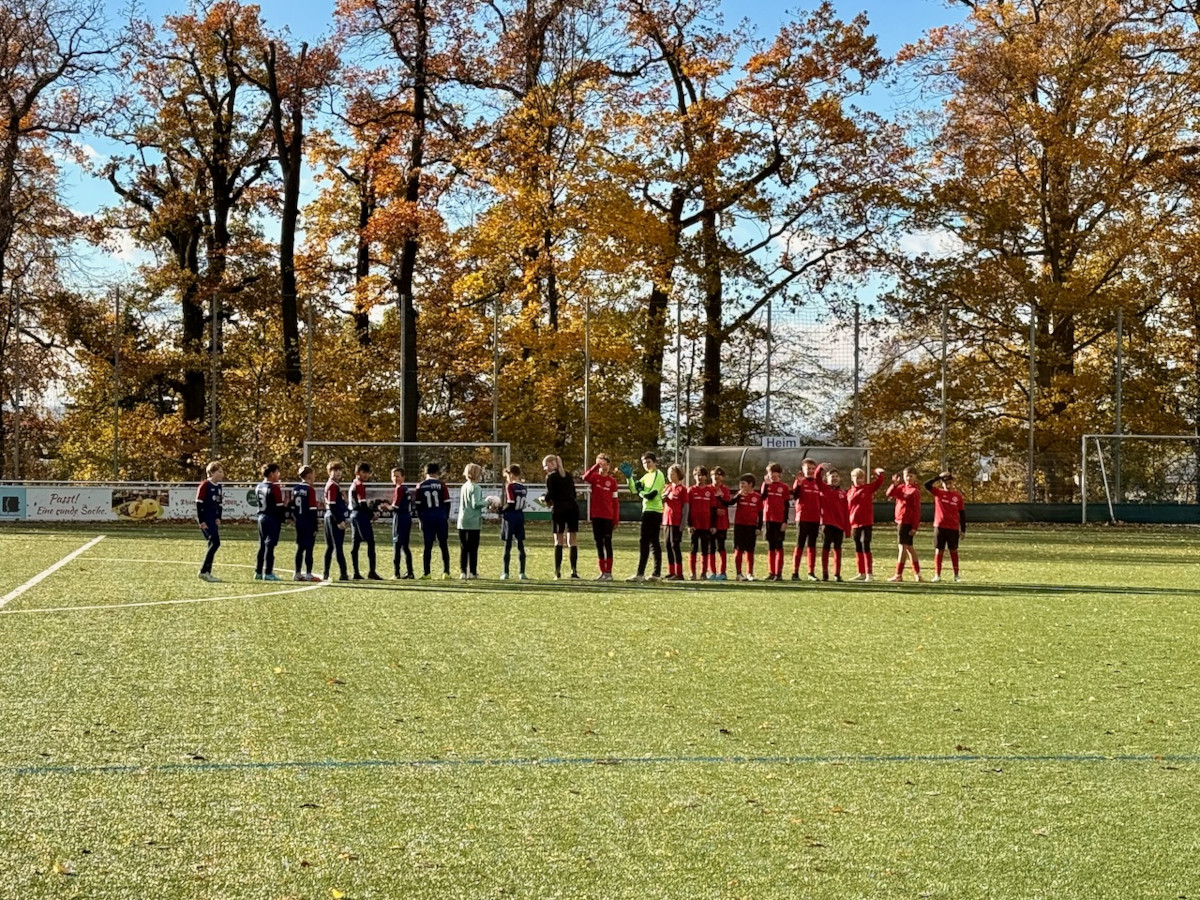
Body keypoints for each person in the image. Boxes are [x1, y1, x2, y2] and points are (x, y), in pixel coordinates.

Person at [621, 453, 666, 582]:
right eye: (644, 462)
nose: (647, 464)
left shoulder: (658, 475)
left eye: (649, 462)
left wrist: (640, 491)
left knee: (647, 541)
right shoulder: (646, 476)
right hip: (647, 510)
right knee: (651, 541)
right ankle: (654, 574)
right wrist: (629, 478)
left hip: (654, 511)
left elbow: (650, 495)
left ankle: (643, 573)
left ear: (655, 462)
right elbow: (634, 489)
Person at [542, 455, 581, 579]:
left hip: (559, 509)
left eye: (545, 465)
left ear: (552, 464)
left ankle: (557, 572)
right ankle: (574, 571)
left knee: (558, 540)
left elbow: (551, 494)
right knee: (572, 540)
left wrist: (544, 499)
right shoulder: (568, 475)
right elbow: (573, 493)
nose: (544, 468)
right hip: (573, 508)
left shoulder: (551, 477)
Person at [582, 454, 619, 580]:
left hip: (608, 517)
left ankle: (609, 572)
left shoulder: (612, 482)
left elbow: (615, 501)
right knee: (598, 543)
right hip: (596, 516)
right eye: (601, 464)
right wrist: (596, 465)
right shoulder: (595, 477)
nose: (604, 467)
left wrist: (616, 518)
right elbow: (585, 477)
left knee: (607, 543)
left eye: (606, 464)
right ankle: (602, 572)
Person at [847, 467, 887, 581]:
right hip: (854, 523)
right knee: (858, 547)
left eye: (861, 478)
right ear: (852, 479)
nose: (859, 480)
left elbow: (879, 482)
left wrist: (878, 473)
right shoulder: (849, 492)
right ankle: (861, 572)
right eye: (857, 478)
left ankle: (869, 573)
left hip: (866, 522)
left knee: (865, 545)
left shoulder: (868, 488)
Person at [925, 471, 966, 582]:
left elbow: (962, 513)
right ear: (942, 483)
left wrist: (963, 530)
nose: (948, 484)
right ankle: (937, 575)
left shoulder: (958, 496)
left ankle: (956, 575)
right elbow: (926, 485)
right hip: (939, 527)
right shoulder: (938, 493)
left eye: (950, 482)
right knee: (939, 550)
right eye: (945, 482)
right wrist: (939, 477)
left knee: (953, 550)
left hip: (953, 528)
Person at [886, 467, 923, 582]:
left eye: (911, 476)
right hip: (900, 520)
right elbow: (889, 494)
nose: (908, 478)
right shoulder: (901, 488)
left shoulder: (914, 491)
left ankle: (898, 574)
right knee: (909, 548)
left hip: (906, 522)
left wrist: (914, 526)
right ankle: (917, 574)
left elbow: (917, 510)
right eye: (906, 475)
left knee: (903, 547)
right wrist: (894, 484)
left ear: (915, 477)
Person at [415, 462, 452, 580]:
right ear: (437, 473)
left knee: (427, 546)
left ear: (425, 473)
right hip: (440, 518)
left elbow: (417, 506)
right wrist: (445, 516)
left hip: (427, 518)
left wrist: (421, 519)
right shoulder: (442, 485)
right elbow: (447, 503)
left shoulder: (420, 486)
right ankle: (446, 572)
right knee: (443, 545)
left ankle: (427, 573)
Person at [349, 461, 383, 580]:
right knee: (370, 542)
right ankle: (371, 572)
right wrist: (372, 514)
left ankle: (356, 572)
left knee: (356, 544)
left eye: (367, 473)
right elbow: (362, 504)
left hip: (354, 515)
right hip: (360, 515)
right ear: (357, 472)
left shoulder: (354, 484)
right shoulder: (359, 485)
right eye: (364, 472)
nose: (366, 475)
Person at [791, 457, 823, 581]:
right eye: (808, 468)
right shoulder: (800, 482)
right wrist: (798, 485)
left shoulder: (818, 483)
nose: (810, 471)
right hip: (802, 518)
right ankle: (795, 572)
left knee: (812, 546)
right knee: (799, 545)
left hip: (815, 519)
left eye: (812, 469)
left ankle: (811, 572)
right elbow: (795, 495)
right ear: (802, 470)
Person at [254, 463, 287, 581]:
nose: (279, 475)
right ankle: (268, 572)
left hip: (261, 517)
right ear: (272, 474)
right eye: (277, 472)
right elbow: (279, 507)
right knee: (270, 545)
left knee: (262, 545)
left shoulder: (258, 486)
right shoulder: (274, 488)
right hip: (272, 518)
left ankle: (258, 571)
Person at [728, 474, 764, 580]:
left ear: (750, 484)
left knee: (750, 550)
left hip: (751, 527)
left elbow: (760, 514)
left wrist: (759, 527)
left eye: (743, 483)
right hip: (739, 526)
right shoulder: (739, 495)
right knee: (738, 549)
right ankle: (739, 574)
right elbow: (730, 502)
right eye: (740, 483)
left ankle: (750, 573)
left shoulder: (757, 497)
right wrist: (738, 494)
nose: (741, 485)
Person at [760, 462, 791, 581]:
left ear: (779, 474)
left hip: (779, 520)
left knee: (779, 545)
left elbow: (786, 505)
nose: (772, 475)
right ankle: (771, 572)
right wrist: (766, 486)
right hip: (768, 519)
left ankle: (779, 573)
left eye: (774, 472)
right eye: (770, 472)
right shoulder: (766, 485)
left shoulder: (784, 487)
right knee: (770, 546)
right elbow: (762, 498)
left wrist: (785, 521)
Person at [817, 466, 849, 581]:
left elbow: (846, 511)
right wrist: (820, 468)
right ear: (827, 478)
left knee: (838, 549)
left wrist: (847, 529)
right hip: (827, 524)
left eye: (836, 476)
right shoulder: (824, 488)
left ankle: (837, 574)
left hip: (839, 526)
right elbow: (817, 479)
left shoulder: (843, 493)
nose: (835, 478)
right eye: (832, 476)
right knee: (826, 548)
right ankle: (825, 573)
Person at [498, 464, 529, 580]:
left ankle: (505, 572)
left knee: (508, 545)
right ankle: (522, 572)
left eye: (507, 475)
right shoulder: (523, 487)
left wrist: (501, 510)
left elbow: (510, 502)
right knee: (520, 544)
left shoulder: (510, 486)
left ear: (510, 474)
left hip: (510, 516)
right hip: (520, 515)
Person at [291, 465, 321, 582]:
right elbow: (312, 510)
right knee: (309, 548)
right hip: (308, 522)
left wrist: (295, 519)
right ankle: (308, 573)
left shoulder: (296, 489)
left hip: (299, 522)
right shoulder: (310, 490)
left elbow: (293, 506)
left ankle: (297, 573)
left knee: (300, 548)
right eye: (313, 474)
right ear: (309, 475)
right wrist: (315, 526)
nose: (314, 477)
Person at [196, 461, 224, 582]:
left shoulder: (218, 487)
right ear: (211, 472)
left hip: (213, 519)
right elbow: (199, 503)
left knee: (212, 543)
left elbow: (219, 504)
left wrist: (218, 517)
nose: (222, 474)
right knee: (215, 542)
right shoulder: (205, 485)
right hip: (206, 519)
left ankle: (207, 572)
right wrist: (201, 521)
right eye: (219, 471)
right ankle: (203, 571)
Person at [687, 466, 717, 580]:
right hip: (695, 525)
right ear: (694, 477)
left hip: (706, 525)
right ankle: (692, 573)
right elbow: (688, 509)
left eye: (702, 475)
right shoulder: (691, 490)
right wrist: (689, 524)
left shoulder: (710, 491)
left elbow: (713, 509)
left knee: (705, 550)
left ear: (706, 477)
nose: (700, 477)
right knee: (693, 549)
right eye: (697, 475)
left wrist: (713, 525)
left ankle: (703, 573)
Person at [323, 460, 350, 582]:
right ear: (329, 472)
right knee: (337, 546)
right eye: (335, 470)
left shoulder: (333, 485)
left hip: (330, 516)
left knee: (330, 546)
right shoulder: (332, 485)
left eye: (339, 470)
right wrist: (339, 520)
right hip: (333, 517)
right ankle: (343, 573)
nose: (338, 473)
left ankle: (326, 573)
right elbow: (333, 505)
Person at [457, 463, 485, 579]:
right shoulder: (476, 487)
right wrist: (487, 501)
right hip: (473, 521)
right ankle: (473, 572)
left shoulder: (464, 486)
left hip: (462, 520)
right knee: (473, 548)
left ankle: (463, 572)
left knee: (464, 547)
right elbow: (476, 504)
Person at [662, 464, 687, 580]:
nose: (670, 475)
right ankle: (671, 571)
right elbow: (661, 500)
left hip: (676, 522)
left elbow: (685, 508)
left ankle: (679, 573)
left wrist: (683, 523)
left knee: (674, 545)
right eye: (668, 473)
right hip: (667, 521)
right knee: (667, 545)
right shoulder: (667, 487)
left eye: (672, 473)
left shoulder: (682, 490)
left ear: (678, 475)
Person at [389, 467, 415, 579]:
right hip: (407, 518)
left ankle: (396, 573)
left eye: (397, 476)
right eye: (393, 476)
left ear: (403, 477)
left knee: (397, 544)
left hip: (400, 518)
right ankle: (410, 572)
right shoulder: (406, 489)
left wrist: (385, 507)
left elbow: (395, 507)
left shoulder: (399, 489)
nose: (395, 478)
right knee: (405, 546)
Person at [710, 466, 731, 581]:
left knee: (721, 547)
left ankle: (722, 572)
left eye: (719, 475)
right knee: (711, 547)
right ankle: (712, 571)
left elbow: (728, 502)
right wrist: (714, 511)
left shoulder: (725, 489)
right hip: (711, 523)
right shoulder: (708, 489)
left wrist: (721, 497)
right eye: (714, 475)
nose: (717, 478)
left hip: (722, 523)